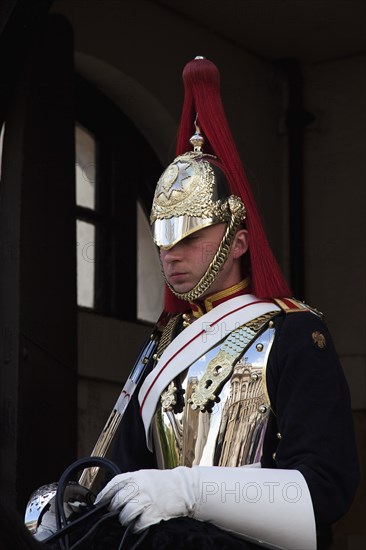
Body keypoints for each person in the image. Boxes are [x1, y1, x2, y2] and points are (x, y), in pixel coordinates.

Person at [94, 57, 359, 549]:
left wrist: (189, 488)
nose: (171, 256)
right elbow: (125, 469)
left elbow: (324, 490)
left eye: (189, 237)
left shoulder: (295, 334)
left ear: (238, 241)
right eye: (163, 240)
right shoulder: (162, 345)